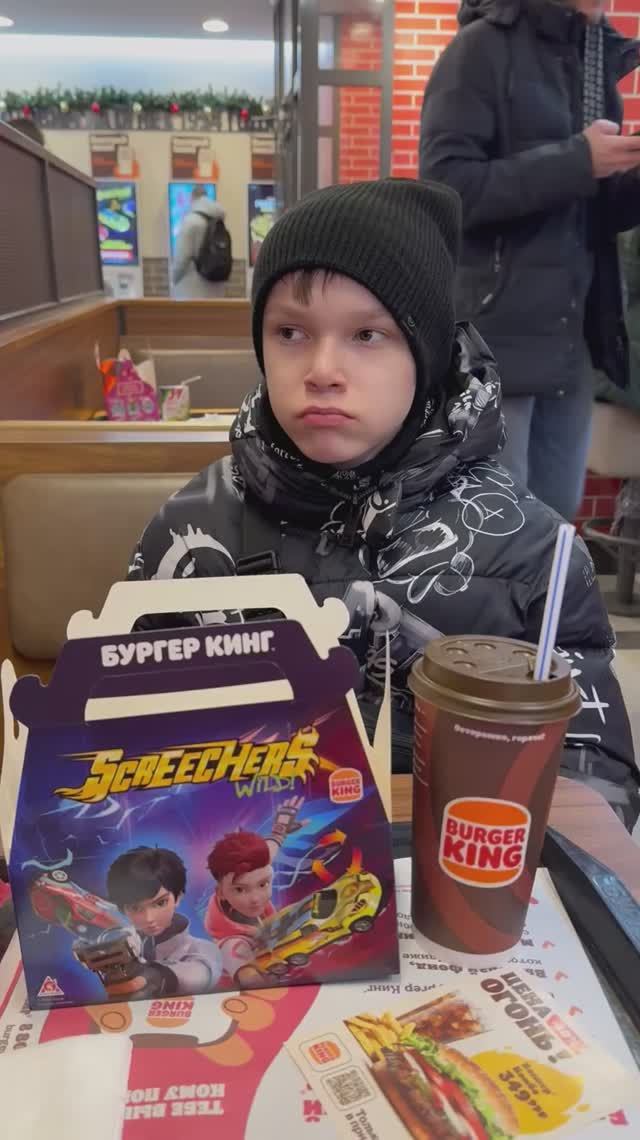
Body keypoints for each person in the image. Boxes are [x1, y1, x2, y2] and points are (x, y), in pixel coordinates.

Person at [127, 178, 639, 830]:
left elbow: (596, 784)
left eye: (367, 335)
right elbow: (115, 744)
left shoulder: (533, 553)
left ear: (427, 353)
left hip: (450, 872)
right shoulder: (190, 528)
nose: (322, 369)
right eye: (290, 331)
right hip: (239, 868)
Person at [419, 0, 640, 522]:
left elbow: (589, 211)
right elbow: (446, 188)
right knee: (494, 525)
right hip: (499, 342)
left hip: (575, 340)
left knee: (555, 524)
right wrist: (578, 160)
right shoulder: (479, 49)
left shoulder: (593, 58)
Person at [205, 798, 304, 984]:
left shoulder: (256, 865)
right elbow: (250, 978)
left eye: (263, 884)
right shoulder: (233, 945)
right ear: (220, 892)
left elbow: (269, 851)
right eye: (240, 890)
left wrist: (279, 831)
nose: (256, 899)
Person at [106, 845, 222, 996]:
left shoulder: (203, 949)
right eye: (135, 908)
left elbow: (201, 973)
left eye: (160, 903)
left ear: (178, 897)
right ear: (122, 909)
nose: (149, 918)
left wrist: (160, 976)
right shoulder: (119, 943)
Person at [172, 185, 228, 300]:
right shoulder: (219, 221)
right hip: (217, 288)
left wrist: (174, 280)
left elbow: (182, 258)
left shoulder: (190, 221)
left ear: (192, 199)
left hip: (193, 290)